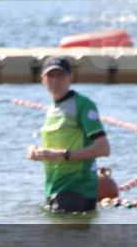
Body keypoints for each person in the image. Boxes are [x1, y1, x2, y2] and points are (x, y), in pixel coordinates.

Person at [27, 57, 110, 213]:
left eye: (60, 76)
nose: (55, 81)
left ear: (71, 78)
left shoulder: (83, 104)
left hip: (77, 189)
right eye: (51, 76)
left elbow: (103, 148)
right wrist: (36, 152)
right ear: (42, 80)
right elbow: (54, 148)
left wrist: (63, 155)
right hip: (54, 187)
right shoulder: (52, 109)